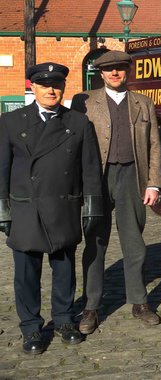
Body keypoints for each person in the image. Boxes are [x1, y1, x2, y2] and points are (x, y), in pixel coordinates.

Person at [0, 62, 103, 354]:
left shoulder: (79, 123)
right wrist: (2, 209)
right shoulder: (11, 122)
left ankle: (63, 319)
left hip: (63, 205)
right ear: (33, 87)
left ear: (63, 88)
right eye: (45, 85)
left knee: (64, 268)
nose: (51, 90)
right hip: (26, 209)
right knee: (26, 273)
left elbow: (91, 169)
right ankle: (31, 327)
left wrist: (92, 206)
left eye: (57, 85)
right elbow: (2, 169)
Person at [71, 50, 161, 333]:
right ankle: (91, 306)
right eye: (109, 69)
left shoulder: (143, 103)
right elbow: (73, 144)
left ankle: (139, 301)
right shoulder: (84, 101)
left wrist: (153, 182)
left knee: (134, 243)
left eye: (120, 69)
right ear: (100, 73)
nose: (115, 73)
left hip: (132, 176)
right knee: (95, 242)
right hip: (97, 179)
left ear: (128, 71)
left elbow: (155, 145)